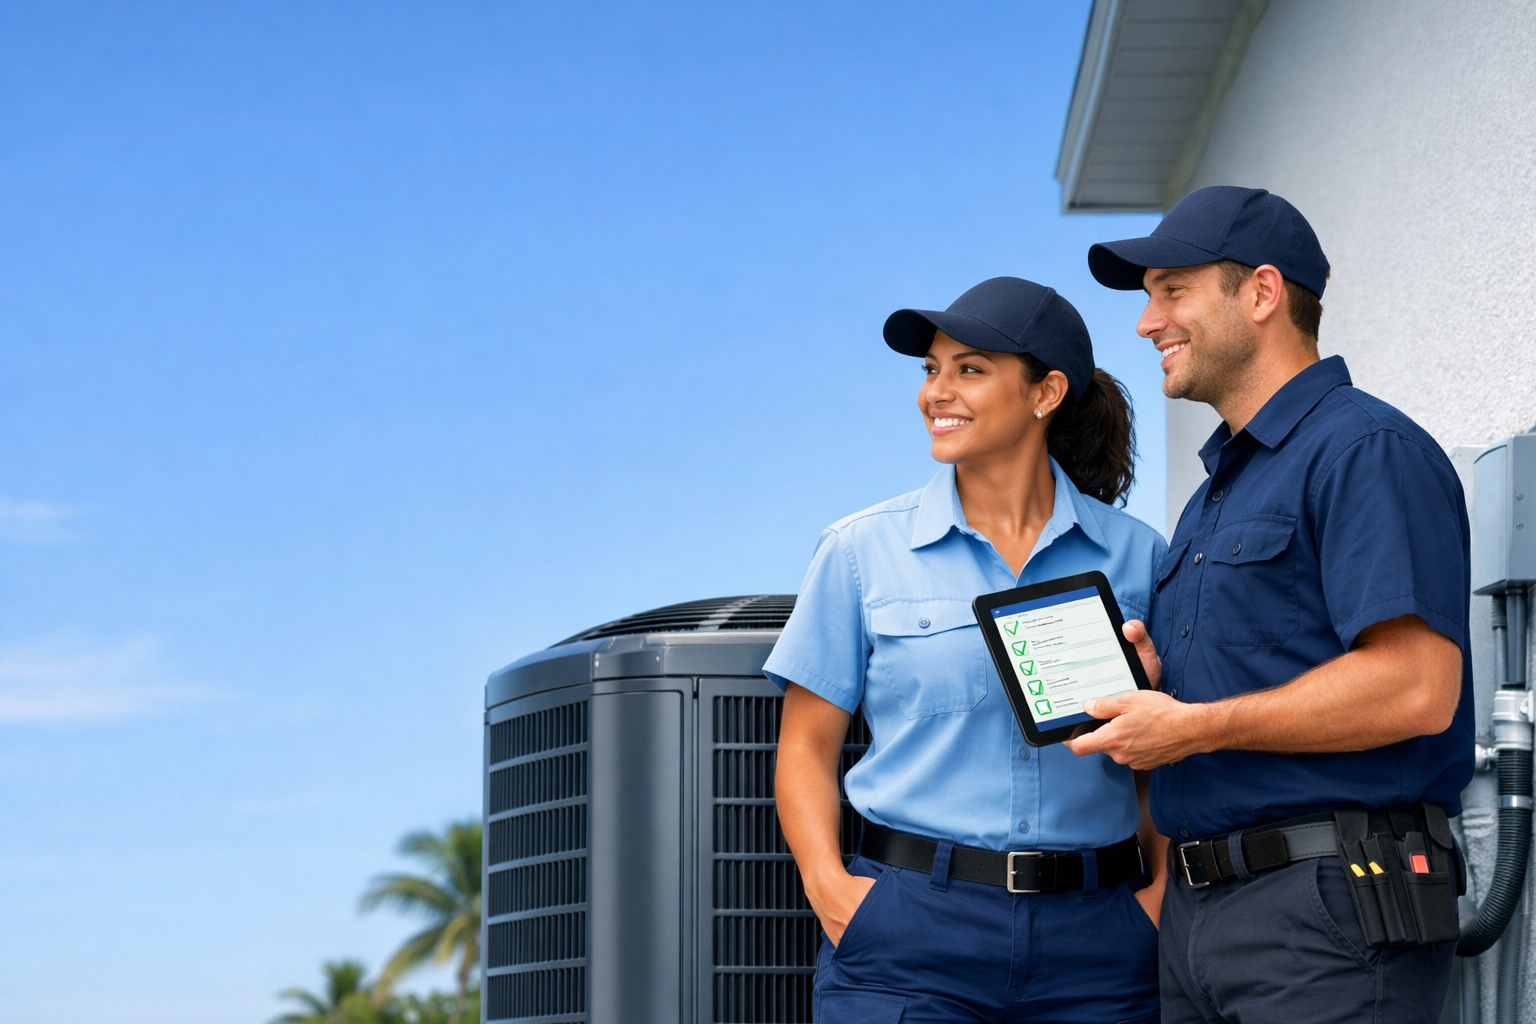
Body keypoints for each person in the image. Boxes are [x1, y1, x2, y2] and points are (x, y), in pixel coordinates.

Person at [1072, 186, 1473, 1023]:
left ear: (1260, 293)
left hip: (1324, 916)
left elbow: (1415, 687)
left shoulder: (1366, 451)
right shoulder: (1217, 489)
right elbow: (1271, 669)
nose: (1147, 322)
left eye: (1171, 291)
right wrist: (1161, 684)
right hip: (1200, 918)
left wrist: (1194, 726)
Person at [766, 276, 1168, 1024]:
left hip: (1100, 944)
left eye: (969, 369)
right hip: (906, 933)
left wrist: (1158, 900)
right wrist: (833, 894)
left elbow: (1167, 760)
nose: (936, 393)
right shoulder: (860, 552)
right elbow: (804, 750)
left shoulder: (1142, 560)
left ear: (1046, 392)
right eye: (930, 370)